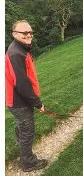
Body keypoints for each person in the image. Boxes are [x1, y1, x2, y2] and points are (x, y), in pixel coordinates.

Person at [5, 20, 48, 172]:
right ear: (14, 34)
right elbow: (22, 84)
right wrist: (37, 102)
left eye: (30, 32)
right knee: (27, 131)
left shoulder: (21, 49)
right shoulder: (16, 53)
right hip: (20, 102)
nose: (29, 35)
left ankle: (23, 153)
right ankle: (28, 163)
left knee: (22, 130)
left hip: (18, 101)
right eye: (24, 32)